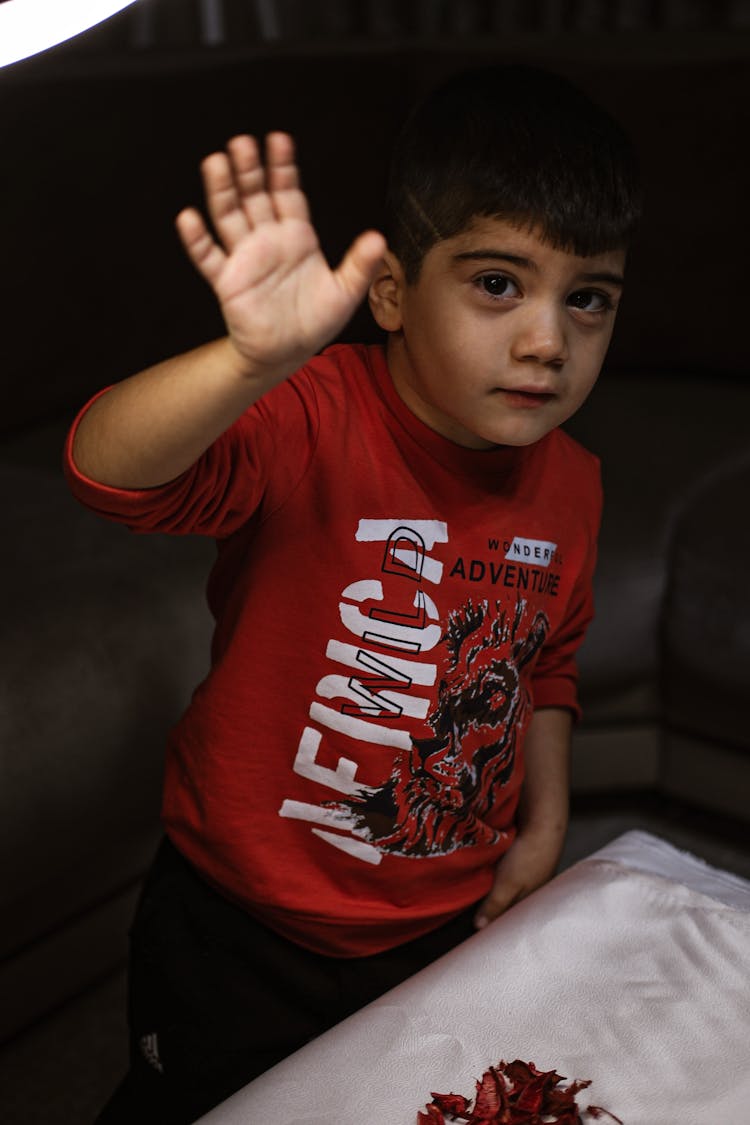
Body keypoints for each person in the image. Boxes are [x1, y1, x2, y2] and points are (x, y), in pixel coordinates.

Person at [65, 64, 641, 1124]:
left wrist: (545, 822)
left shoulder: (577, 483)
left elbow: (543, 662)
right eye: (498, 284)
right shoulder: (313, 413)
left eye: (588, 300)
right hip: (238, 923)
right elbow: (109, 474)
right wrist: (248, 361)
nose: (548, 343)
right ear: (391, 294)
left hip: (437, 921)